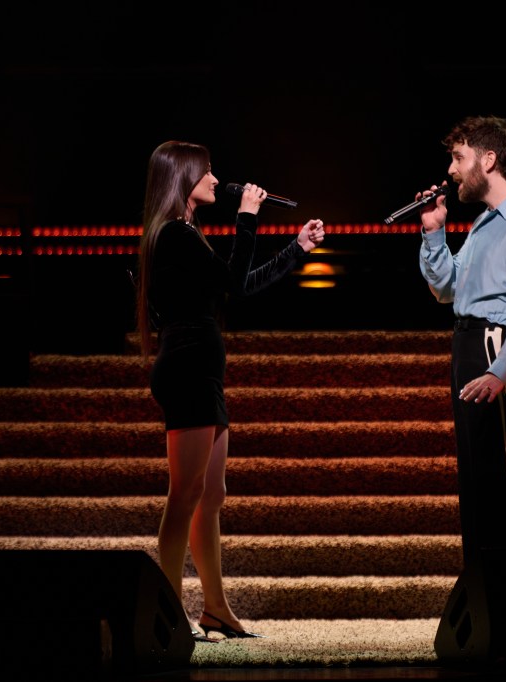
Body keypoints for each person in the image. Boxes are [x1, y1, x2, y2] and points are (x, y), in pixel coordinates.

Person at [135, 140, 325, 641]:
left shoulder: (190, 234)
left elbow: (239, 281)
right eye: (208, 171)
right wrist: (247, 217)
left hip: (204, 372)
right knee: (184, 495)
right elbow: (236, 283)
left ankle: (215, 608)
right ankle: (169, 613)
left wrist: (296, 249)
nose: (217, 179)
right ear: (182, 176)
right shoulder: (173, 234)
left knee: (211, 494)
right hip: (187, 370)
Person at [415, 115, 506, 566]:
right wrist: (433, 230)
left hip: (494, 347)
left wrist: (502, 370)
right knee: (478, 477)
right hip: (467, 342)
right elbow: (448, 289)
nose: (452, 171)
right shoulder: (484, 223)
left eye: (459, 158)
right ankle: (486, 589)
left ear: (489, 159)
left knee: (503, 476)